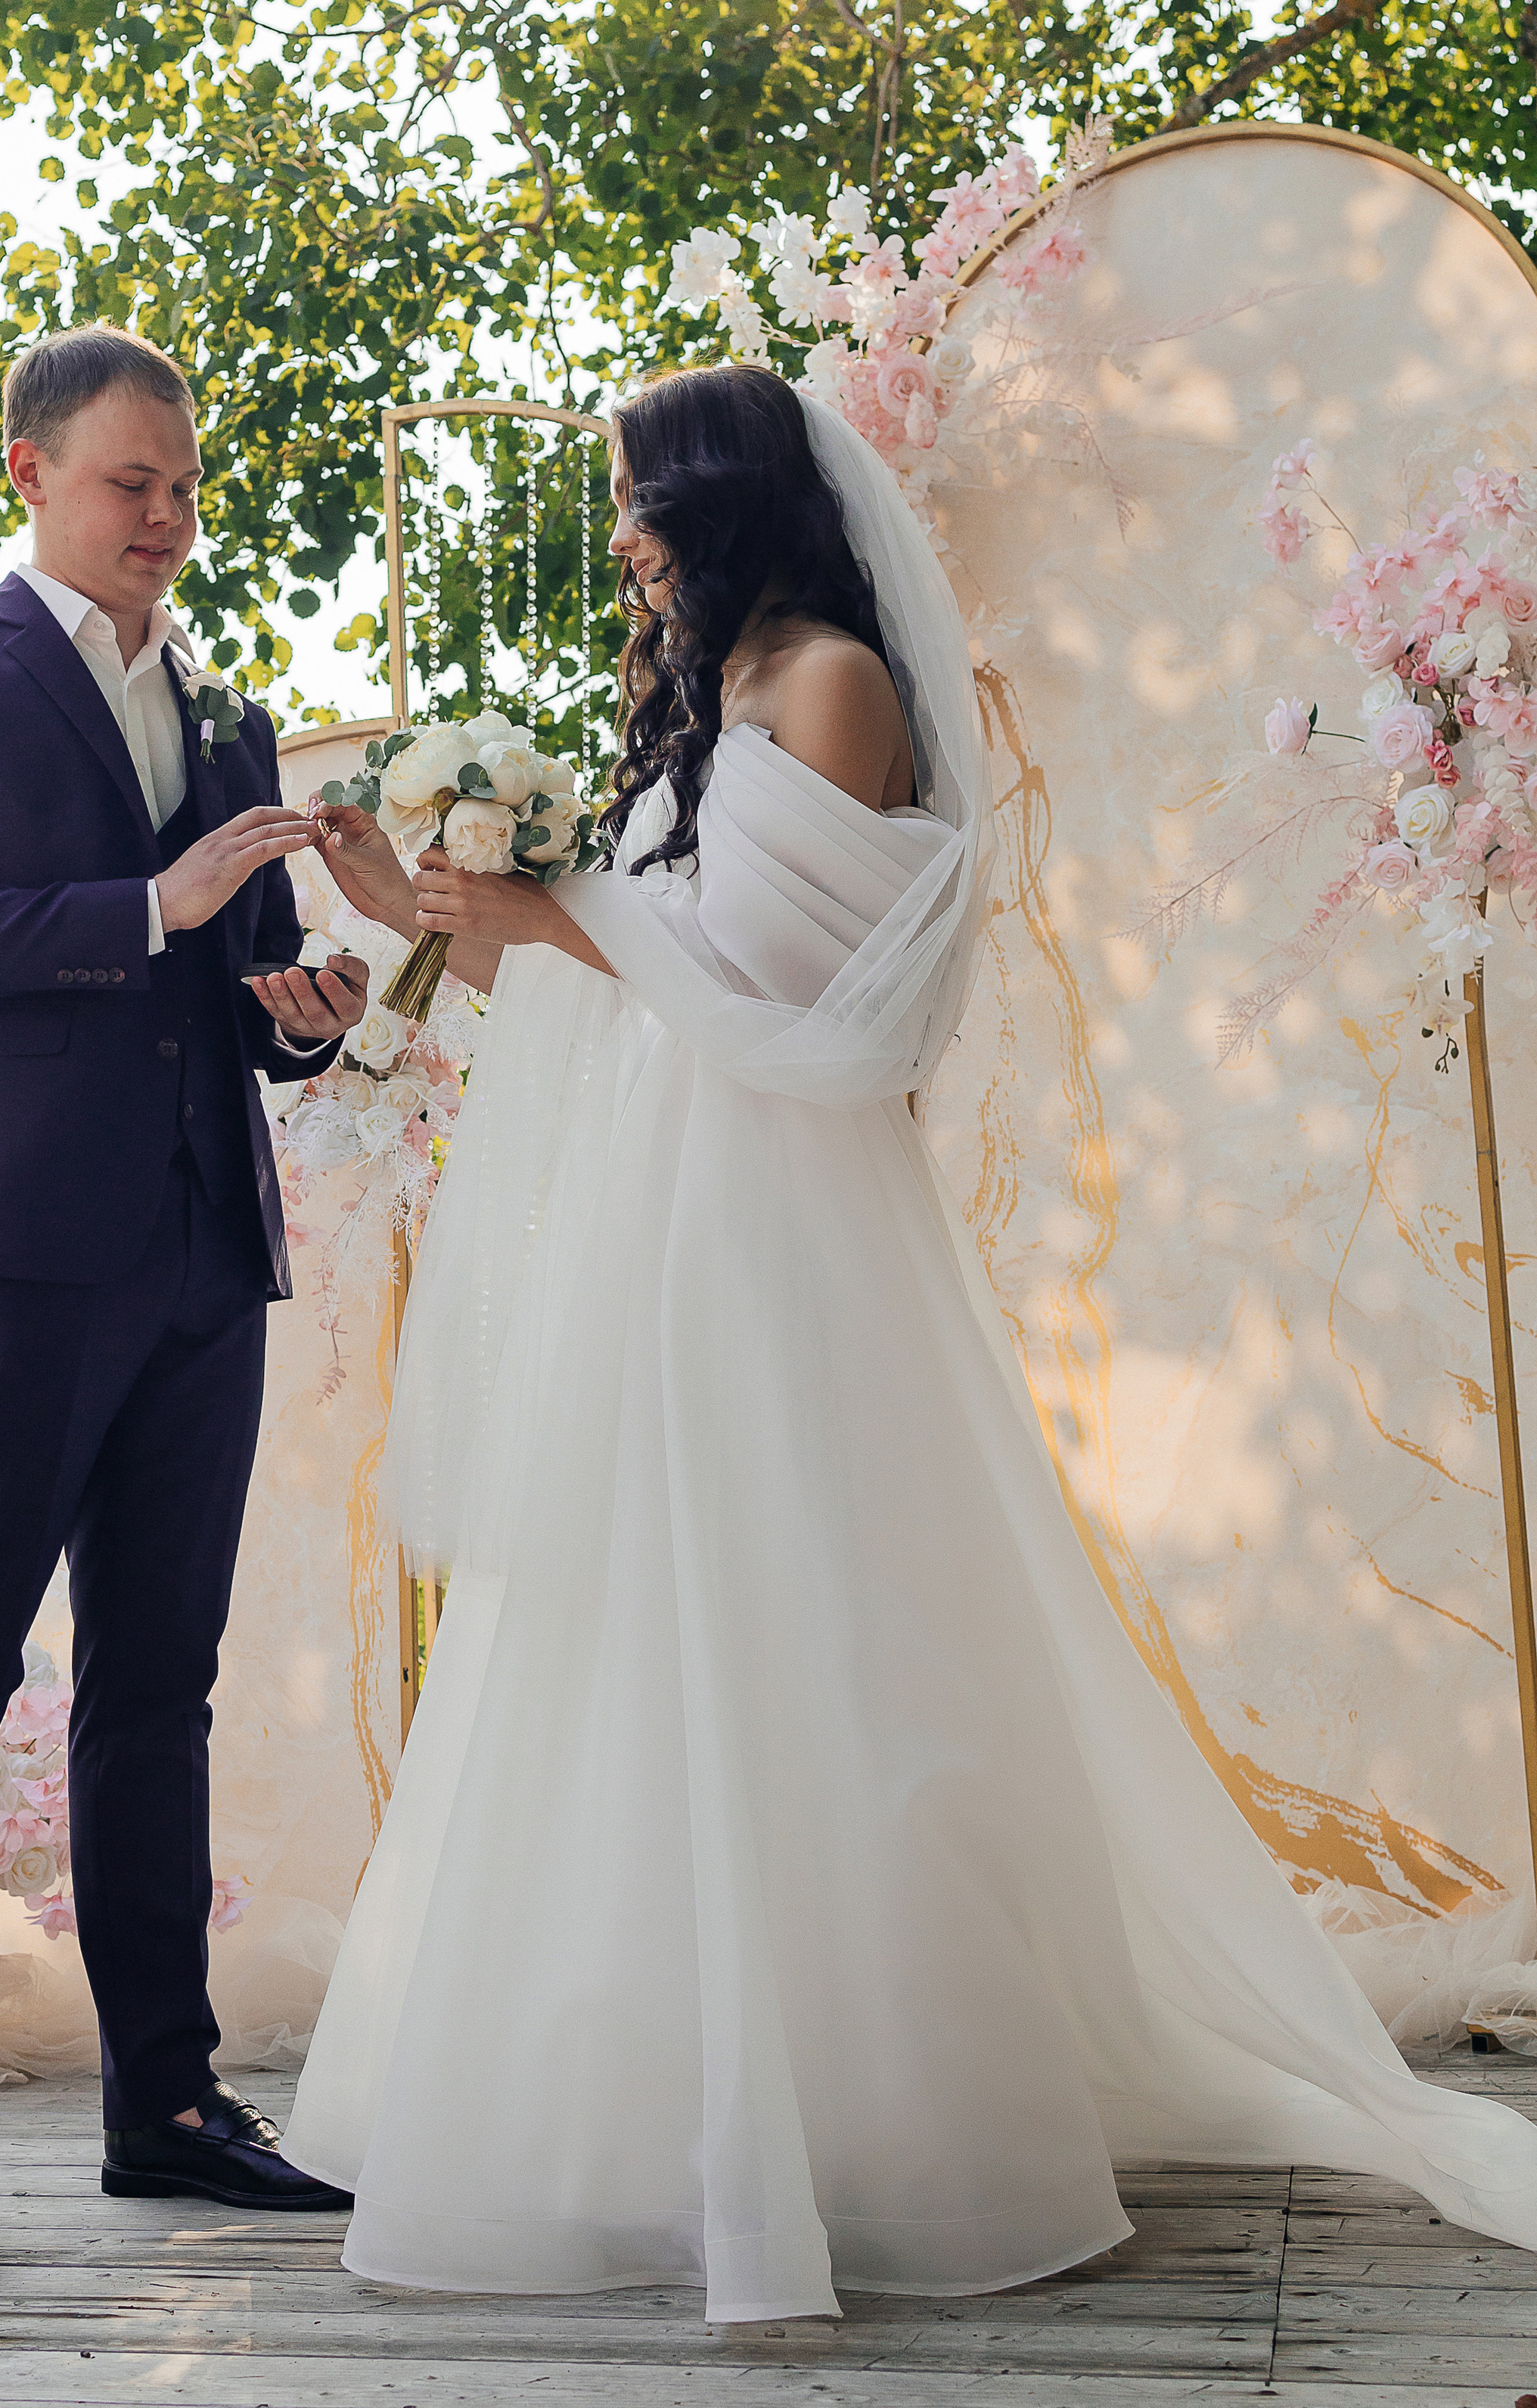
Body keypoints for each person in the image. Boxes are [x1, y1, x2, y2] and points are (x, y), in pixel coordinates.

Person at [283, 362, 1537, 2323]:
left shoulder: (832, 684)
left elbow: (793, 981)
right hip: (673, 1201)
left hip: (780, 1217)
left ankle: (880, 2122)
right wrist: (464, 916)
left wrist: (558, 910)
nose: (621, 534)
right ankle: (655, 2109)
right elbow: (655, 965)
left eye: (640, 498)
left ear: (728, 501)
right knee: (643, 1623)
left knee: (811, 1613)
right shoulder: (702, 708)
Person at [0, 324, 363, 2283]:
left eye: (188, 487)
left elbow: (251, 971)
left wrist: (305, 1015)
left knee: (162, 1686)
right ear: (33, 472)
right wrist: (157, 904)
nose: (170, 517)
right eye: (136, 482)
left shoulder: (227, 719)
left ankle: (171, 2107)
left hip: (208, 1250)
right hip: (13, 1246)